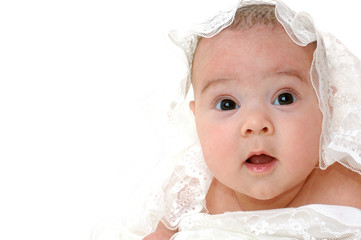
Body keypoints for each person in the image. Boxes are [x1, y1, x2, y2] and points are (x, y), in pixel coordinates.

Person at [93, 0, 361, 239]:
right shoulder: (195, 187)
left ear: (327, 107)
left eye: (284, 98)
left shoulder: (349, 193)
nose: (256, 123)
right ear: (196, 118)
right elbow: (162, 230)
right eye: (227, 104)